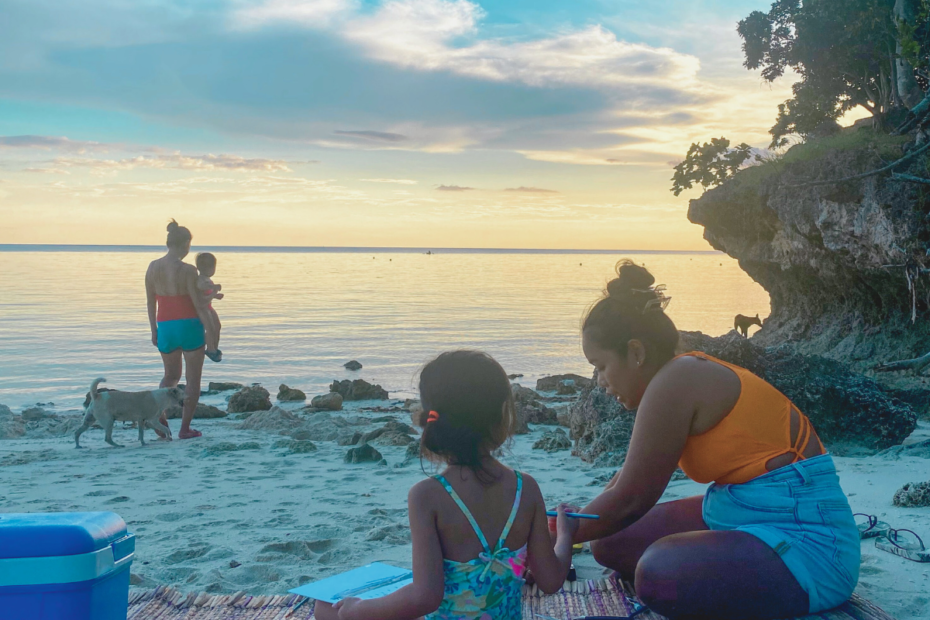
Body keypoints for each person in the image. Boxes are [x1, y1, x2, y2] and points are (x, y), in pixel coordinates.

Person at [555, 260, 859, 619]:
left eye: (601, 365)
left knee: (658, 574)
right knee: (609, 541)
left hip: (810, 544)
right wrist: (570, 525)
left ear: (636, 352)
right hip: (741, 512)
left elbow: (631, 500)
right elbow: (622, 482)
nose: (600, 382)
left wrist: (556, 538)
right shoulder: (675, 376)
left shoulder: (677, 381)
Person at [315, 350, 580, 620]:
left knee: (325, 609)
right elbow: (551, 580)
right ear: (503, 415)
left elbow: (425, 597)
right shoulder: (526, 488)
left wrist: (358, 610)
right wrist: (565, 534)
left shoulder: (427, 496)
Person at [144, 220, 212, 439]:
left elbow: (149, 302)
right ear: (185, 244)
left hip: (165, 325)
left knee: (170, 377)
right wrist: (212, 328)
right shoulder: (189, 270)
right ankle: (184, 429)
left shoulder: (153, 267)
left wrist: (153, 329)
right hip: (189, 325)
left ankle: (160, 420)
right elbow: (197, 303)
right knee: (193, 380)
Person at [195, 252, 223, 362]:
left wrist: (215, 295)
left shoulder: (207, 279)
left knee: (217, 326)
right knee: (210, 328)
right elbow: (201, 287)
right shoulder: (201, 279)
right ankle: (210, 349)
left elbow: (206, 292)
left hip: (209, 306)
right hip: (203, 308)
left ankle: (214, 347)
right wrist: (213, 287)